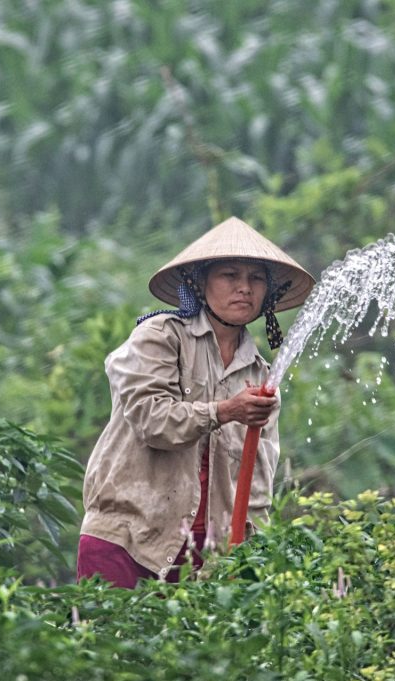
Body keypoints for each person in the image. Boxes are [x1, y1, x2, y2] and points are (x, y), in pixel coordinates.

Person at [76, 216, 315, 588]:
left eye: (255, 279)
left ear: (268, 292)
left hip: (205, 560)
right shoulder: (159, 337)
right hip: (127, 541)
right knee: (107, 644)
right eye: (229, 276)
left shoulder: (260, 375)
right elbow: (152, 422)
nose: (244, 289)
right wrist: (226, 411)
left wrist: (249, 556)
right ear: (200, 283)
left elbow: (257, 482)